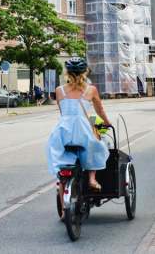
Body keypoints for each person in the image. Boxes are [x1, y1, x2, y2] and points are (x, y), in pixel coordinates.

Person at [47, 57, 111, 219]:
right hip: (83, 130)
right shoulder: (91, 90)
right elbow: (100, 111)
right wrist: (107, 123)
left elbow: (64, 113)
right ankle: (92, 178)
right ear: (85, 72)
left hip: (62, 132)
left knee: (63, 173)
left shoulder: (59, 90)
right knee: (100, 145)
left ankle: (63, 212)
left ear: (67, 72)